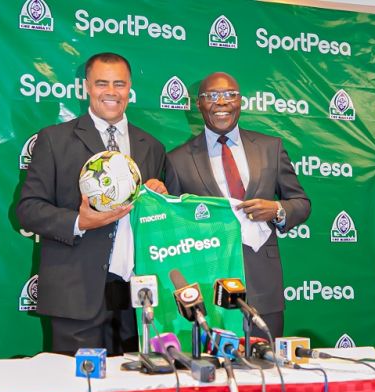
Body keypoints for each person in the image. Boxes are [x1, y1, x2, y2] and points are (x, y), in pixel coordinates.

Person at [17, 52, 167, 355]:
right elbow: (28, 209)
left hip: (136, 296)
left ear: (130, 88)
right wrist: (79, 222)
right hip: (76, 293)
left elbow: (162, 218)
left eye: (119, 84)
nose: (111, 92)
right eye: (102, 83)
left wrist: (161, 197)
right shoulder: (54, 140)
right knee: (79, 388)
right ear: (86, 86)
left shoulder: (151, 146)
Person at [165, 72, 311, 339]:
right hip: (208, 288)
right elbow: (173, 227)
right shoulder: (177, 160)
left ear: (240, 101)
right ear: (198, 104)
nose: (222, 103)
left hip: (262, 289)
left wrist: (277, 210)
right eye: (212, 96)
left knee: (266, 373)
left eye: (229, 95)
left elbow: (301, 204)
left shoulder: (270, 147)